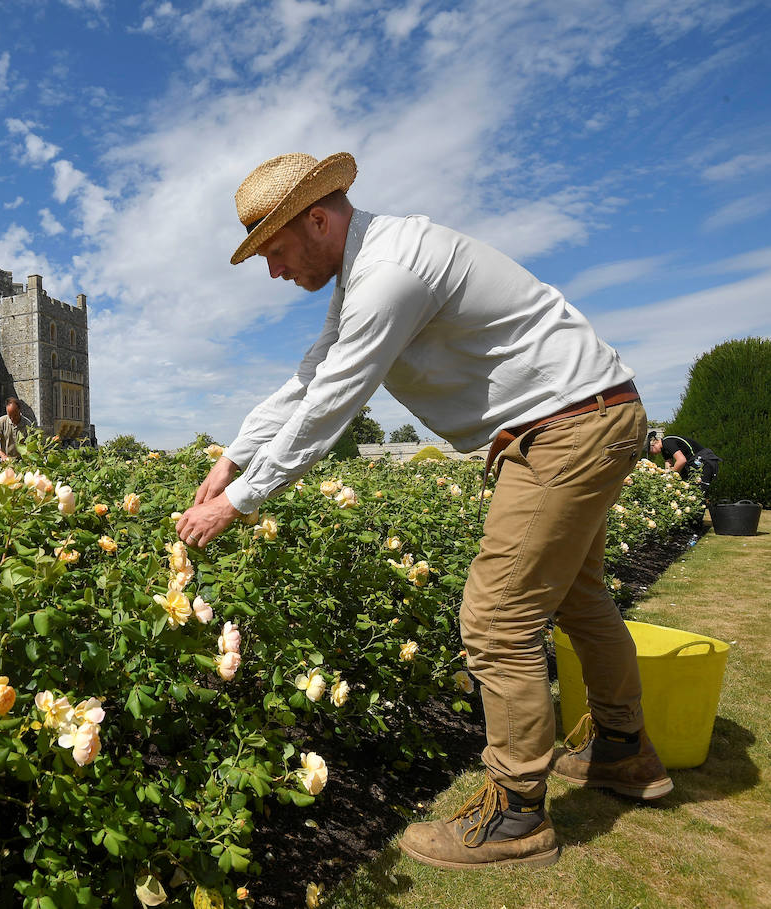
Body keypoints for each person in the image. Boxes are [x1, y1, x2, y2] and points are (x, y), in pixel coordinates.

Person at [176, 152, 671, 870]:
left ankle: (515, 815)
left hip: (563, 429)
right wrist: (230, 460)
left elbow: (330, 407)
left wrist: (238, 503)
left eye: (276, 252)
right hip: (592, 411)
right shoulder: (371, 268)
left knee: (497, 618)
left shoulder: (388, 277)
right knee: (579, 597)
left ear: (318, 220)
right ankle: (625, 752)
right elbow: (307, 378)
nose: (275, 272)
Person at [648, 430, 720, 499]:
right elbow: (668, 464)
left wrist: (671, 476)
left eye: (650, 451)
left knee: (697, 494)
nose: (652, 454)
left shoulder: (667, 442)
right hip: (693, 464)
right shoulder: (664, 449)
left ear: (654, 444)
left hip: (704, 461)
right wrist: (666, 478)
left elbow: (681, 461)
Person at [0, 396, 26, 461]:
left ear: (19, 411)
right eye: (10, 416)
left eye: (15, 415)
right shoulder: (1, 421)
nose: (12, 419)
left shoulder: (27, 425)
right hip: (4, 460)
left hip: (21, 461)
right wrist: (2, 455)